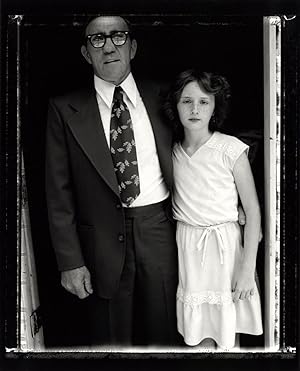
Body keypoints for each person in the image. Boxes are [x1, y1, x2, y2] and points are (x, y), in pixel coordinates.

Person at [45, 15, 180, 346]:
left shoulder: (166, 97)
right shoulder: (64, 109)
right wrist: (70, 261)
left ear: (132, 47)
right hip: (99, 242)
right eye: (97, 40)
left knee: (164, 332)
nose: (108, 46)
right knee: (110, 339)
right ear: (85, 53)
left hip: (159, 230)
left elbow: (199, 152)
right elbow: (57, 192)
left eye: (118, 37)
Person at [164, 69, 263, 350]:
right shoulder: (170, 152)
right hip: (190, 247)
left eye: (204, 101)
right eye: (187, 101)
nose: (195, 109)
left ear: (215, 106)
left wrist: (247, 270)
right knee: (198, 329)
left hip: (226, 249)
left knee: (228, 325)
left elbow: (252, 211)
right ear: (176, 105)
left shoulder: (230, 149)